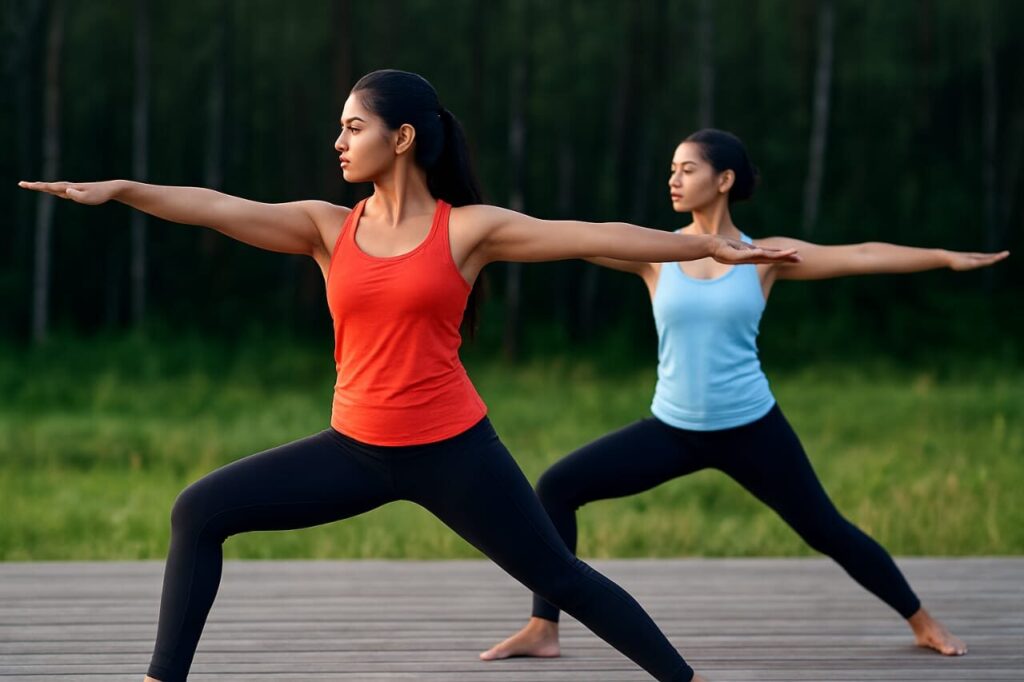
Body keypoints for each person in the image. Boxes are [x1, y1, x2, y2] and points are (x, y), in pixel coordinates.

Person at [19, 74, 801, 682]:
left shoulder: (469, 229)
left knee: (560, 575)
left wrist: (711, 250)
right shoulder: (329, 227)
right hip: (353, 448)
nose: (339, 141)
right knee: (199, 510)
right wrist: (120, 190)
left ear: (401, 138)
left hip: (454, 450)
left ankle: (683, 676)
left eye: (352, 127)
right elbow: (218, 207)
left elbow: (589, 235)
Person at [480, 128, 1008, 664]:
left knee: (827, 529)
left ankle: (922, 620)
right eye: (671, 169)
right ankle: (543, 626)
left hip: (752, 428)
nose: (674, 179)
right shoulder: (656, 255)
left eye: (687, 169)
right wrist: (483, 222)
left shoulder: (766, 256)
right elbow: (579, 236)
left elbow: (862, 254)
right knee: (558, 486)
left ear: (724, 179)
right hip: (673, 430)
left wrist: (943, 256)